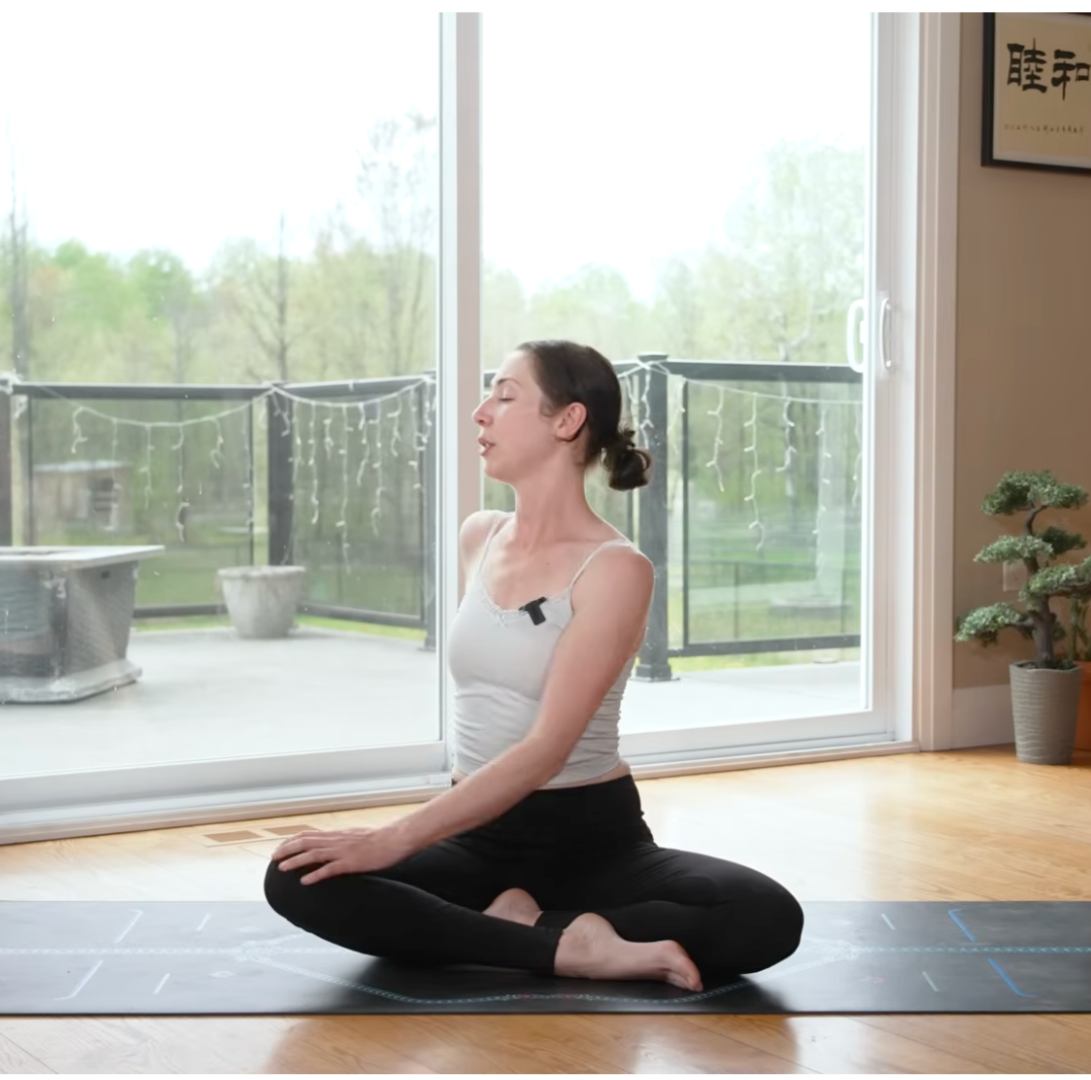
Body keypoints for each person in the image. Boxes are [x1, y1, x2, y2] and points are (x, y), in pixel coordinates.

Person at [265, 340, 803, 990]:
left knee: (765, 917)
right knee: (295, 877)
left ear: (566, 420)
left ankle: (516, 926)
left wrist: (391, 839)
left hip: (590, 839)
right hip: (476, 832)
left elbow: (548, 748)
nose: (480, 412)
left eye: (504, 394)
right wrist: (395, 844)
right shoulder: (479, 536)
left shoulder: (615, 569)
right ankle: (562, 944)